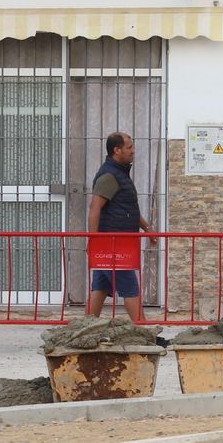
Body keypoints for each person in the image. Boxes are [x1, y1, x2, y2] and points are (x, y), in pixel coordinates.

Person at [86, 131, 155, 321]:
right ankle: (144, 334)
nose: (133, 151)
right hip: (113, 243)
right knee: (130, 287)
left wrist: (147, 228)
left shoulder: (120, 173)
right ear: (117, 150)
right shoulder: (109, 176)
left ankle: (86, 327)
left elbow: (127, 208)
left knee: (101, 286)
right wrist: (94, 242)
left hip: (114, 242)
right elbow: (94, 209)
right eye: (129, 147)